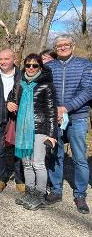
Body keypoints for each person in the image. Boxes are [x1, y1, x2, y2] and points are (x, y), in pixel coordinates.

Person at [46, 35, 92, 214]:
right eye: (59, 45)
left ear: (72, 46)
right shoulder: (49, 67)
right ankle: (56, 190)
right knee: (55, 154)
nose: (63, 47)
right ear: (55, 48)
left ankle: (80, 194)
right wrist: (54, 109)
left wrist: (66, 107)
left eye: (66, 44)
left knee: (79, 157)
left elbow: (88, 90)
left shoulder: (85, 65)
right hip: (55, 117)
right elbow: (46, 89)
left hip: (77, 117)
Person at [8, 54, 57, 210]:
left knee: (38, 163)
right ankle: (29, 192)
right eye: (28, 65)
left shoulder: (46, 86)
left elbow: (51, 112)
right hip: (22, 128)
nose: (30, 68)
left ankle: (40, 195)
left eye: (35, 65)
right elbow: (11, 99)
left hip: (39, 128)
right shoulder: (19, 84)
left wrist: (52, 135)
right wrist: (9, 104)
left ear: (40, 67)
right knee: (26, 163)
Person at [0, 49, 24, 193]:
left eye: (7, 59)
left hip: (17, 119)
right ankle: (0, 178)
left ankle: (20, 179)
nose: (3, 62)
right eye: (1, 59)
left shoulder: (22, 76)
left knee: (19, 150)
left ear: (14, 60)